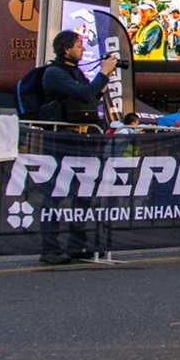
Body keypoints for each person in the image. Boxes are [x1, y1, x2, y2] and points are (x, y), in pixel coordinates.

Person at [38, 30, 119, 265]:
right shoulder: (54, 73)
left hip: (81, 139)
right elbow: (84, 93)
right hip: (61, 140)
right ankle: (50, 248)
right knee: (55, 193)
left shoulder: (75, 72)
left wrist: (105, 78)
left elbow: (91, 97)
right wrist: (102, 73)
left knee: (82, 194)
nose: (83, 50)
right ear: (66, 49)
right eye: (78, 46)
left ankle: (77, 245)